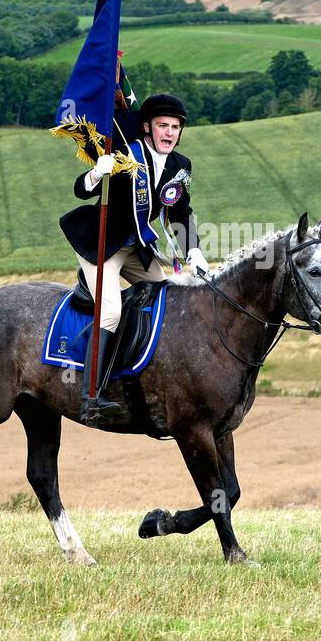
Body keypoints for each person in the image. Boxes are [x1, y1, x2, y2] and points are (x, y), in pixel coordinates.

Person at [59, 92, 208, 421]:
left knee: (168, 302)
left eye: (175, 127)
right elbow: (81, 190)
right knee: (111, 310)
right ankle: (91, 398)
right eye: (162, 126)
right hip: (102, 246)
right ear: (147, 128)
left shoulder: (181, 166)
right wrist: (98, 173)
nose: (169, 133)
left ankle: (152, 382)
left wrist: (194, 252)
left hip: (138, 247)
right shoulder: (126, 153)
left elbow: (179, 212)